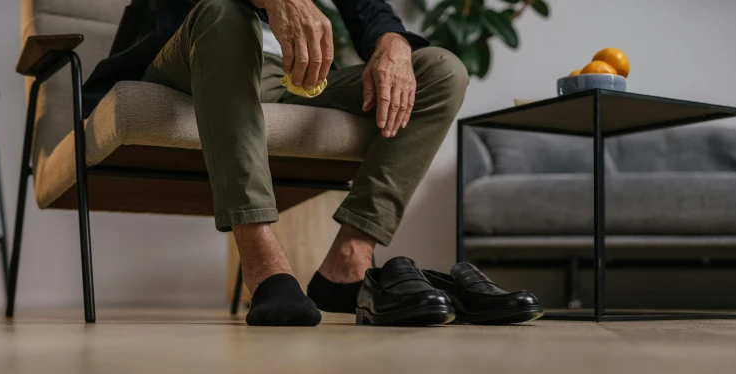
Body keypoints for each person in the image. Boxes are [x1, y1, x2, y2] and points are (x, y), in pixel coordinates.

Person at [83, 0, 469, 326]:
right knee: (224, 13)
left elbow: (368, 7)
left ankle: (348, 263)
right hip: (197, 50)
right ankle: (263, 264)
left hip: (294, 70)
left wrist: (393, 43)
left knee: (441, 70)